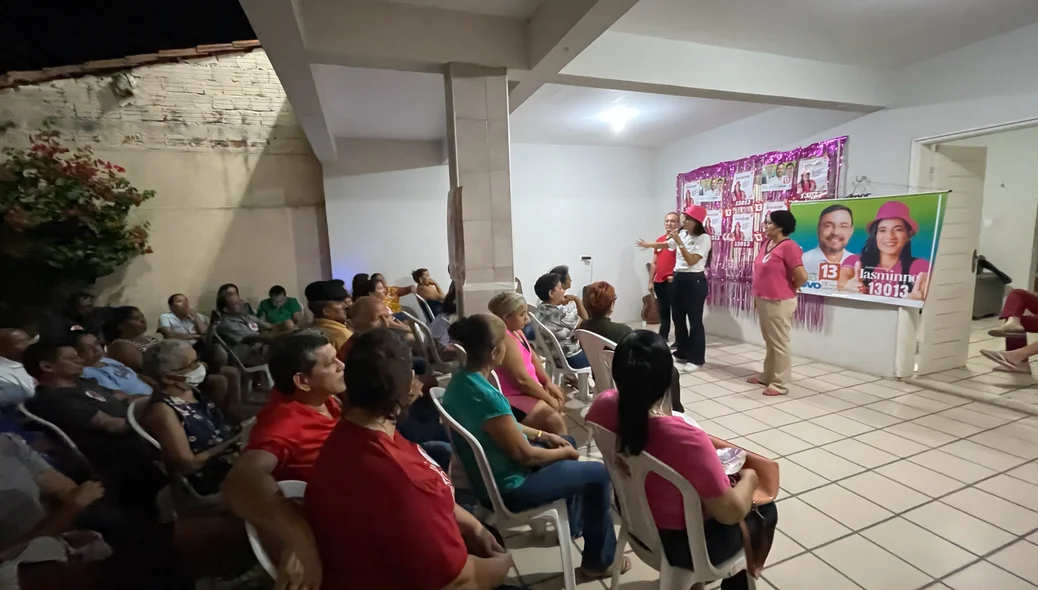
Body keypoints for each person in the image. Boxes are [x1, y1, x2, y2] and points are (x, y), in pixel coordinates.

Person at [304, 328, 513, 589]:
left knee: (486, 532)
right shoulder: (402, 478)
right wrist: (506, 562)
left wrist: (471, 525)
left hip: (374, 564)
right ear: (409, 383)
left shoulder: (350, 434)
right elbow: (459, 581)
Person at [443, 314, 628, 580]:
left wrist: (545, 435)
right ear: (496, 351)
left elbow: (505, 427)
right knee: (598, 475)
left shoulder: (461, 382)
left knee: (568, 440)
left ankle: (574, 525)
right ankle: (599, 562)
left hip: (488, 476)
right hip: (511, 488)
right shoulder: (486, 396)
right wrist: (562, 453)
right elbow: (525, 455)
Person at [585, 330, 774, 590]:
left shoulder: (602, 406)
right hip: (686, 547)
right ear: (667, 380)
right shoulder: (685, 439)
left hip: (637, 526)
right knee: (765, 510)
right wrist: (750, 479)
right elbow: (729, 512)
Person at [221, 331, 344, 589]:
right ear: (303, 381)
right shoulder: (285, 423)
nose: (341, 366)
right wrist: (298, 537)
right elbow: (240, 480)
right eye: (330, 363)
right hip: (336, 535)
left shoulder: (323, 400)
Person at [22, 341, 166, 525]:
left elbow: (124, 396)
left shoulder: (82, 383)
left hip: (139, 439)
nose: (80, 360)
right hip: (120, 457)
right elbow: (114, 426)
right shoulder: (53, 400)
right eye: (72, 358)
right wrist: (158, 414)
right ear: (47, 366)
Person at [141, 340, 242, 495]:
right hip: (211, 472)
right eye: (192, 365)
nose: (201, 367)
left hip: (230, 452)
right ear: (168, 378)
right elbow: (189, 465)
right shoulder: (163, 411)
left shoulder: (190, 391)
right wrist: (232, 441)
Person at [638, 205, 712, 372]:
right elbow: (666, 245)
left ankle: (696, 358)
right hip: (679, 278)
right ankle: (682, 352)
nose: (683, 222)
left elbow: (692, 260)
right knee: (678, 318)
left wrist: (680, 243)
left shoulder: (704, 238)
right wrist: (649, 244)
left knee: (694, 322)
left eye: (686, 219)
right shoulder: (683, 233)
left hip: (694, 280)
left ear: (696, 222)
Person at [488, 291, 568, 435]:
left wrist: (548, 382)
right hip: (513, 395)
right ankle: (563, 453)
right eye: (522, 314)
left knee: (558, 395)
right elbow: (521, 380)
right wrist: (548, 398)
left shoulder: (517, 331)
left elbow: (533, 357)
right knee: (555, 421)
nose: (527, 318)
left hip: (525, 389)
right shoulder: (505, 339)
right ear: (507, 318)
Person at [749, 210, 807, 397]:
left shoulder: (788, 247)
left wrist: (787, 287)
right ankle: (767, 375)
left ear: (780, 226)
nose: (765, 226)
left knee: (779, 342)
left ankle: (780, 383)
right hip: (763, 298)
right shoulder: (767, 243)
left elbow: (801, 277)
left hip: (779, 301)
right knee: (769, 341)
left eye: (768, 223)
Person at [838, 201, 930, 301]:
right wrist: (848, 287)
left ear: (908, 235)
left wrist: (920, 300)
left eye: (898, 229)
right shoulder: (855, 261)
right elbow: (842, 281)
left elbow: (927, 290)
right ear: (875, 235)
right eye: (882, 230)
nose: (890, 236)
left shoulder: (919, 265)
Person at [533, 272, 590, 369]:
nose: (564, 291)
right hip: (570, 359)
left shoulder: (541, 308)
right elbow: (586, 322)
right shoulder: (561, 315)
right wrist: (577, 300)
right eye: (560, 288)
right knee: (601, 356)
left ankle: (573, 380)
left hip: (553, 356)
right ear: (551, 293)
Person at [71, 330, 152, 396]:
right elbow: (118, 397)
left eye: (96, 344)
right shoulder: (86, 375)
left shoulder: (106, 360)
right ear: (76, 353)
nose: (97, 349)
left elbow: (136, 376)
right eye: (89, 348)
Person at [648, 212, 680, 347]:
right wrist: (650, 281)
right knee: (663, 311)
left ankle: (680, 341)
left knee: (677, 313)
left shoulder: (679, 241)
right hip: (659, 282)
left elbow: (684, 261)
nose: (669, 223)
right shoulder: (660, 240)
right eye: (667, 221)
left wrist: (675, 276)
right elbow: (654, 262)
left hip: (672, 282)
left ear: (678, 224)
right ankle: (663, 337)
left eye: (672, 221)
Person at [215, 294, 271, 366]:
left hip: (261, 346)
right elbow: (250, 338)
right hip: (248, 353)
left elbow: (269, 326)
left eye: (240, 301)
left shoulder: (246, 316)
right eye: (236, 303)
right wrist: (272, 336)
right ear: (226, 309)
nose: (242, 304)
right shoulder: (226, 324)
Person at [801, 204, 855, 280]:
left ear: (851, 230)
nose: (835, 232)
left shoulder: (859, 265)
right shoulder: (802, 262)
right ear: (818, 228)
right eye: (828, 226)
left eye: (843, 226)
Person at [38, 291, 113, 342]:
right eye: (82, 307)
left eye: (90, 306)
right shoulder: (62, 324)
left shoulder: (96, 315)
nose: (87, 310)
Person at [305, 281, 353, 352]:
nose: (345, 306)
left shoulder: (308, 328)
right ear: (326, 311)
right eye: (339, 303)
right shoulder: (341, 335)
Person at [0, 327, 35, 408]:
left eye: (30, 339)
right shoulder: (3, 374)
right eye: (23, 341)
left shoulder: (34, 361)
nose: (31, 344)